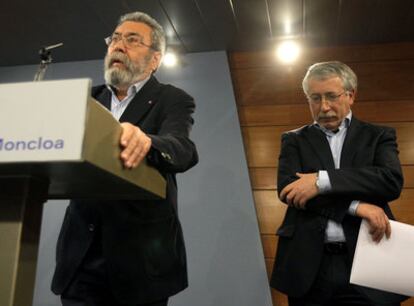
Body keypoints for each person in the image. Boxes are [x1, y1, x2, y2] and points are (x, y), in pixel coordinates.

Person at [51, 12, 198, 306]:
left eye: (132, 40)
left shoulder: (172, 99)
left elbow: (182, 149)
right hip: (81, 260)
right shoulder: (84, 99)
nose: (119, 45)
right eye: (115, 39)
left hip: (142, 263)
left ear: (155, 59)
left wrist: (147, 141)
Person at [270, 61, 407, 306]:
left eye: (331, 96)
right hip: (310, 267)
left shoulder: (379, 136)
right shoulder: (293, 140)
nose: (324, 107)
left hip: (370, 260)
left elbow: (389, 180)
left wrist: (321, 180)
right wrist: (355, 206)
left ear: (351, 95)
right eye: (315, 98)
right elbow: (289, 190)